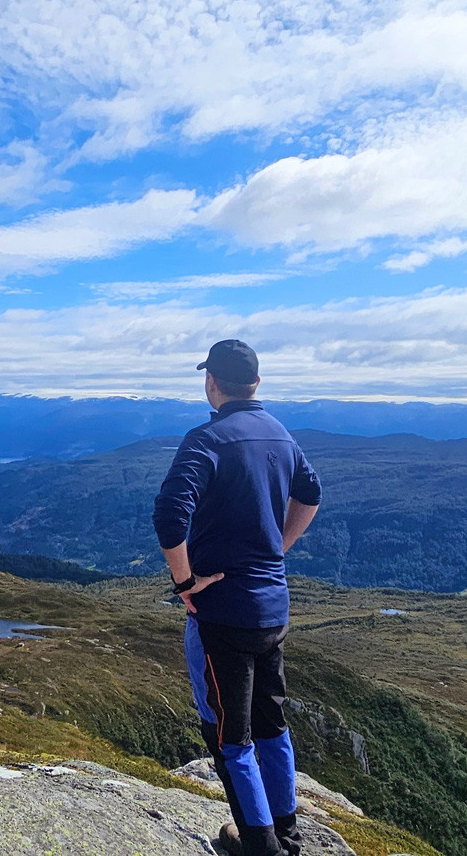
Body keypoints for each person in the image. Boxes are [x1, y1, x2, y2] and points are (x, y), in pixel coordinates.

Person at [153, 339, 322, 856]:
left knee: (229, 735)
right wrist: (277, 549)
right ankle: (286, 831)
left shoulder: (206, 438)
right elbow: (311, 492)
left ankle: (259, 844)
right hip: (273, 608)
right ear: (257, 382)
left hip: (221, 612)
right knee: (272, 723)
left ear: (212, 383)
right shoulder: (279, 433)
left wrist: (185, 585)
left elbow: (168, 515)